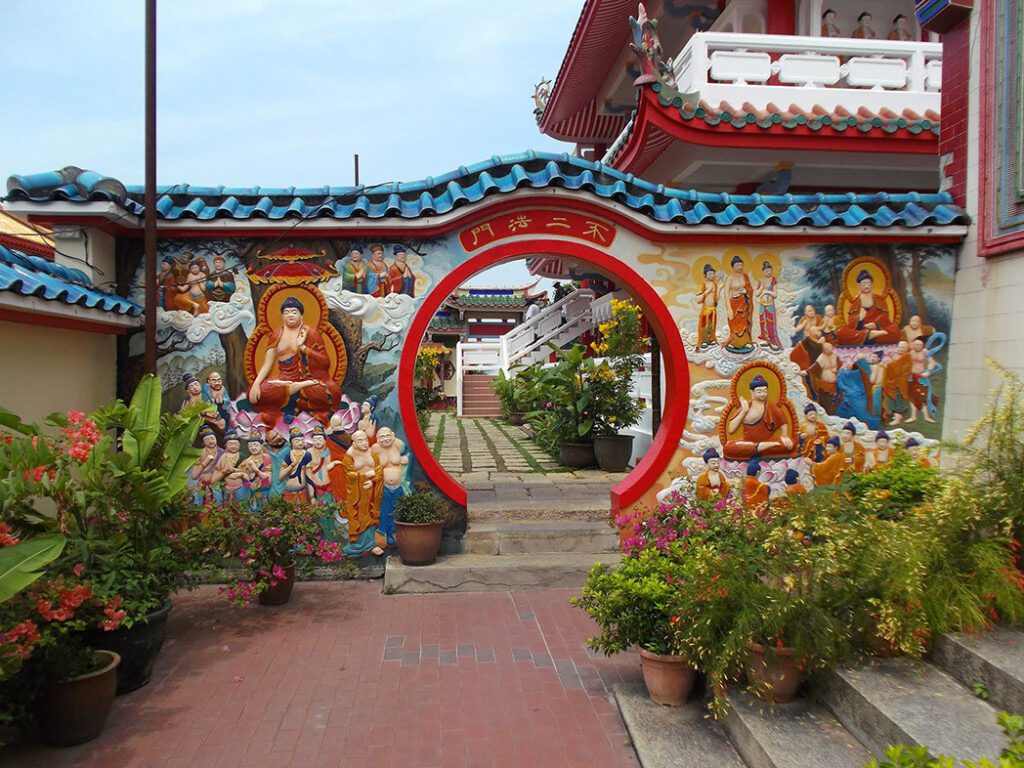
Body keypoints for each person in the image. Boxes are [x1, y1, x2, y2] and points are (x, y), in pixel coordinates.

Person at [248, 295, 342, 426]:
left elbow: (325, 362)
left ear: (301, 315)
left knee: (333, 390)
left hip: (308, 381)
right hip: (283, 379)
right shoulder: (277, 334)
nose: (290, 315)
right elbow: (267, 364)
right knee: (254, 394)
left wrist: (303, 348)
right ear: (282, 316)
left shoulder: (311, 333)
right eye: (286, 312)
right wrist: (256, 384)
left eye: (294, 312)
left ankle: (291, 401)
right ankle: (292, 399)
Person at [724, 374, 795, 459]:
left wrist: (784, 436)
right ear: (752, 392)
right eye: (759, 391)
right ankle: (758, 447)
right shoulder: (746, 406)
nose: (763, 394)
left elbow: (783, 421)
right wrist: (744, 411)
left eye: (765, 391)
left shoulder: (770, 406)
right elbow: (731, 429)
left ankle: (759, 447)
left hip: (768, 441)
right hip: (747, 442)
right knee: (728, 447)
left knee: (791, 444)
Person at [342, 430, 385, 557]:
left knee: (370, 515)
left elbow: (379, 471)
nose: (364, 442)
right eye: (360, 440)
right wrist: (365, 476)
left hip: (371, 490)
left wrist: (373, 482)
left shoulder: (371, 452)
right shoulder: (349, 456)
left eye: (365, 439)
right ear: (353, 443)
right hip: (357, 493)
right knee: (358, 516)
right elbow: (350, 475)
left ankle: (371, 544)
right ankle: (356, 545)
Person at [835, 270, 901, 346]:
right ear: (859, 286)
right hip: (861, 330)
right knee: (840, 333)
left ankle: (868, 337)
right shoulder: (855, 302)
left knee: (895, 331)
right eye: (863, 284)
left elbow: (885, 316)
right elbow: (850, 323)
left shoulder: (880, 299)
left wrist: (876, 324)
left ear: (871, 284)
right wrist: (859, 318)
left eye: (868, 283)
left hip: (876, 329)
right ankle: (870, 335)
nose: (866, 286)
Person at [372, 427, 409, 547]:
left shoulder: (398, 445)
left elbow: (409, 455)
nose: (385, 439)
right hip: (384, 486)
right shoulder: (375, 449)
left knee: (397, 509)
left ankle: (394, 532)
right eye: (382, 437)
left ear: (392, 436)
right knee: (384, 510)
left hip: (399, 486)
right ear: (377, 439)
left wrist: (407, 459)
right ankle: (385, 532)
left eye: (388, 436)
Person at [721, 254, 754, 353]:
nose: (740, 267)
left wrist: (746, 291)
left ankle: (745, 341)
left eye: (741, 265)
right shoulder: (730, 278)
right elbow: (726, 293)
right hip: (734, 304)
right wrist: (729, 309)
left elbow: (750, 289)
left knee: (744, 322)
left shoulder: (745, 276)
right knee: (735, 323)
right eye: (737, 265)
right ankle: (735, 342)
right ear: (733, 266)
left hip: (744, 303)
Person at [907, 336, 938, 424]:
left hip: (921, 376)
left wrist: (928, 371)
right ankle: (913, 416)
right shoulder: (910, 352)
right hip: (911, 377)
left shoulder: (925, 352)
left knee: (923, 396)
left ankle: (926, 416)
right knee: (912, 397)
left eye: (920, 345)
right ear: (913, 345)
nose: (918, 346)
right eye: (916, 344)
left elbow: (932, 362)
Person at [191, 426, 222, 505]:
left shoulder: (223, 453)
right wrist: (205, 462)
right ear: (203, 442)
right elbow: (194, 475)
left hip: (218, 484)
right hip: (201, 484)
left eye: (212, 438)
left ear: (216, 438)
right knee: (201, 502)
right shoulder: (200, 454)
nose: (210, 441)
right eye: (206, 440)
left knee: (218, 502)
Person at [279, 427, 312, 502]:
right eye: (297, 441)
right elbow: (281, 477)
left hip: (302, 491)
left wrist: (312, 495)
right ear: (291, 443)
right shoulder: (288, 456)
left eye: (302, 441)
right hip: (289, 491)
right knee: (290, 512)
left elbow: (309, 476)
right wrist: (292, 465)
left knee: (302, 512)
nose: (300, 443)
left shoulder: (307, 455)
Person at [238, 435, 273, 504]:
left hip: (264, 491)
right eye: (250, 446)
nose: (253, 448)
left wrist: (255, 469)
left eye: (255, 445)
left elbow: (268, 480)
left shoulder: (267, 459)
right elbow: (241, 475)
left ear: (261, 445)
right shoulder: (246, 461)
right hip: (250, 492)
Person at [212, 431, 246, 502]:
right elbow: (213, 479)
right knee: (228, 507)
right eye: (230, 444)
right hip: (227, 488)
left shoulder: (243, 457)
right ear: (225, 445)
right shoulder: (223, 458)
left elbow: (248, 473)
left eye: (236, 444)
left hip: (240, 487)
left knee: (242, 505)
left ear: (239, 444)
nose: (233, 446)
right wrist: (223, 472)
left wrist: (237, 472)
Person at [756, 261, 782, 350]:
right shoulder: (761, 281)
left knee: (770, 323)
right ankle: (765, 340)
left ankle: (773, 341)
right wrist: (762, 287)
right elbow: (756, 294)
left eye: (770, 270)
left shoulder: (773, 280)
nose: (768, 272)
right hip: (762, 305)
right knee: (762, 322)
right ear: (763, 271)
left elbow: (775, 295)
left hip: (770, 304)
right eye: (766, 271)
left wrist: (766, 291)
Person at [696, 264, 719, 350]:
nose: (712, 276)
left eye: (713, 274)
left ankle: (712, 339)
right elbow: (698, 299)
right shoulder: (703, 285)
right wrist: (708, 291)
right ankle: (704, 340)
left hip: (713, 309)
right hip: (705, 309)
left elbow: (716, 299)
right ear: (705, 275)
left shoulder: (715, 285)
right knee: (704, 326)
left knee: (712, 325)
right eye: (710, 274)